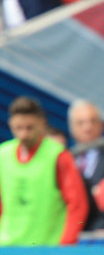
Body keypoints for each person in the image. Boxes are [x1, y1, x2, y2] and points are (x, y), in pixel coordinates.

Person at [0, 96, 88, 245]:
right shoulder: (3, 154)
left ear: (42, 124)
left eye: (29, 127)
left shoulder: (58, 156)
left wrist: (66, 244)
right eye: (18, 128)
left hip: (45, 252)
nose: (24, 134)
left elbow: (78, 205)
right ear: (10, 124)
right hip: (8, 249)